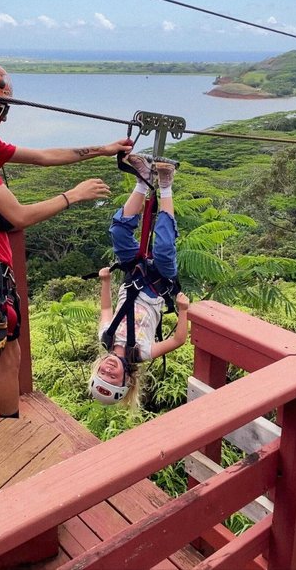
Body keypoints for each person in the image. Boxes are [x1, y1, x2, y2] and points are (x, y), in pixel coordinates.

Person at [0, 56, 132, 422]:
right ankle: (10, 431)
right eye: (0, 109)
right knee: (3, 355)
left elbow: (42, 155)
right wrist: (74, 195)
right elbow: (19, 216)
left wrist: (102, 150)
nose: (2, 118)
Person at [89, 153, 189, 408]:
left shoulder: (106, 337)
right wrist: (183, 310)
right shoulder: (141, 352)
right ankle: (165, 185)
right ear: (127, 379)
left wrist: (104, 282)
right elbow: (178, 341)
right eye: (113, 377)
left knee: (119, 232)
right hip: (158, 283)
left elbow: (105, 309)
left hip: (134, 274)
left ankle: (143, 180)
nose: (108, 370)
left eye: (102, 372)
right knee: (165, 247)